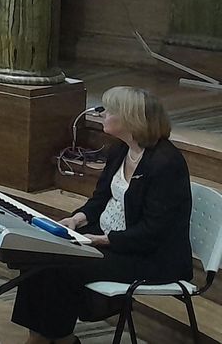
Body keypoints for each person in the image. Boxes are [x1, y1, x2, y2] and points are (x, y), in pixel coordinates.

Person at [11, 86, 193, 344]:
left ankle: (60, 339)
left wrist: (100, 240)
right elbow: (99, 199)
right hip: (108, 240)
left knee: (64, 266)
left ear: (131, 119)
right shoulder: (120, 150)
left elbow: (154, 232)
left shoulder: (166, 163)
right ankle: (39, 336)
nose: (103, 113)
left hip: (149, 257)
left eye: (111, 110)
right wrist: (77, 219)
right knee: (40, 252)